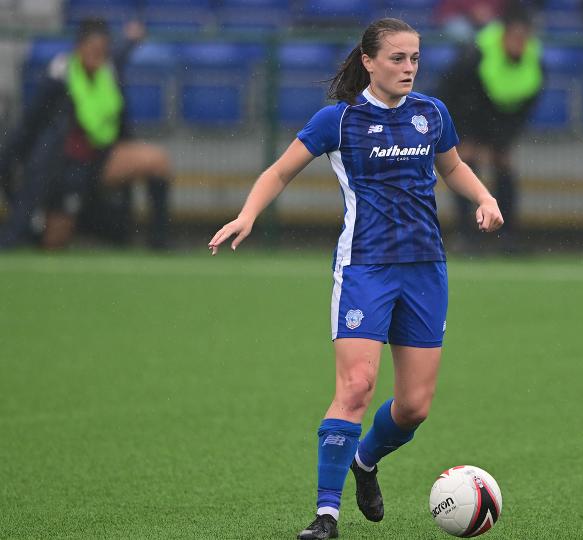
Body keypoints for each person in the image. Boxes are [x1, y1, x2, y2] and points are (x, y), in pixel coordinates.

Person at [206, 18, 503, 540]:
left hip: (425, 270)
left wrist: (483, 196)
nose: (408, 68)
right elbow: (279, 171)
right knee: (357, 386)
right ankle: (326, 516)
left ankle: (364, 462)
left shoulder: (432, 114)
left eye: (414, 59)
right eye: (397, 58)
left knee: (414, 407)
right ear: (368, 62)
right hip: (364, 268)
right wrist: (248, 214)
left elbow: (453, 167)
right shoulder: (338, 120)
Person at [0, 19, 172, 250]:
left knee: (157, 161)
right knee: (53, 242)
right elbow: (30, 122)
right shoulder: (59, 77)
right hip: (66, 166)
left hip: (102, 158)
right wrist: (12, 156)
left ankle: (159, 242)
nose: (97, 55)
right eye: (93, 49)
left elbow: (120, 53)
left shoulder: (109, 69)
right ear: (79, 48)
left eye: (102, 50)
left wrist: (132, 38)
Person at [438, 5, 543, 252]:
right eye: (515, 37)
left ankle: (507, 235)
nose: (519, 43)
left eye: (524, 38)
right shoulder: (475, 54)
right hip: (467, 112)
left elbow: (526, 104)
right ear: (504, 34)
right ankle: (466, 234)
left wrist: (503, 138)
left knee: (503, 162)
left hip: (501, 119)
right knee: (466, 160)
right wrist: (464, 135)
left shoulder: (534, 61)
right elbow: (453, 92)